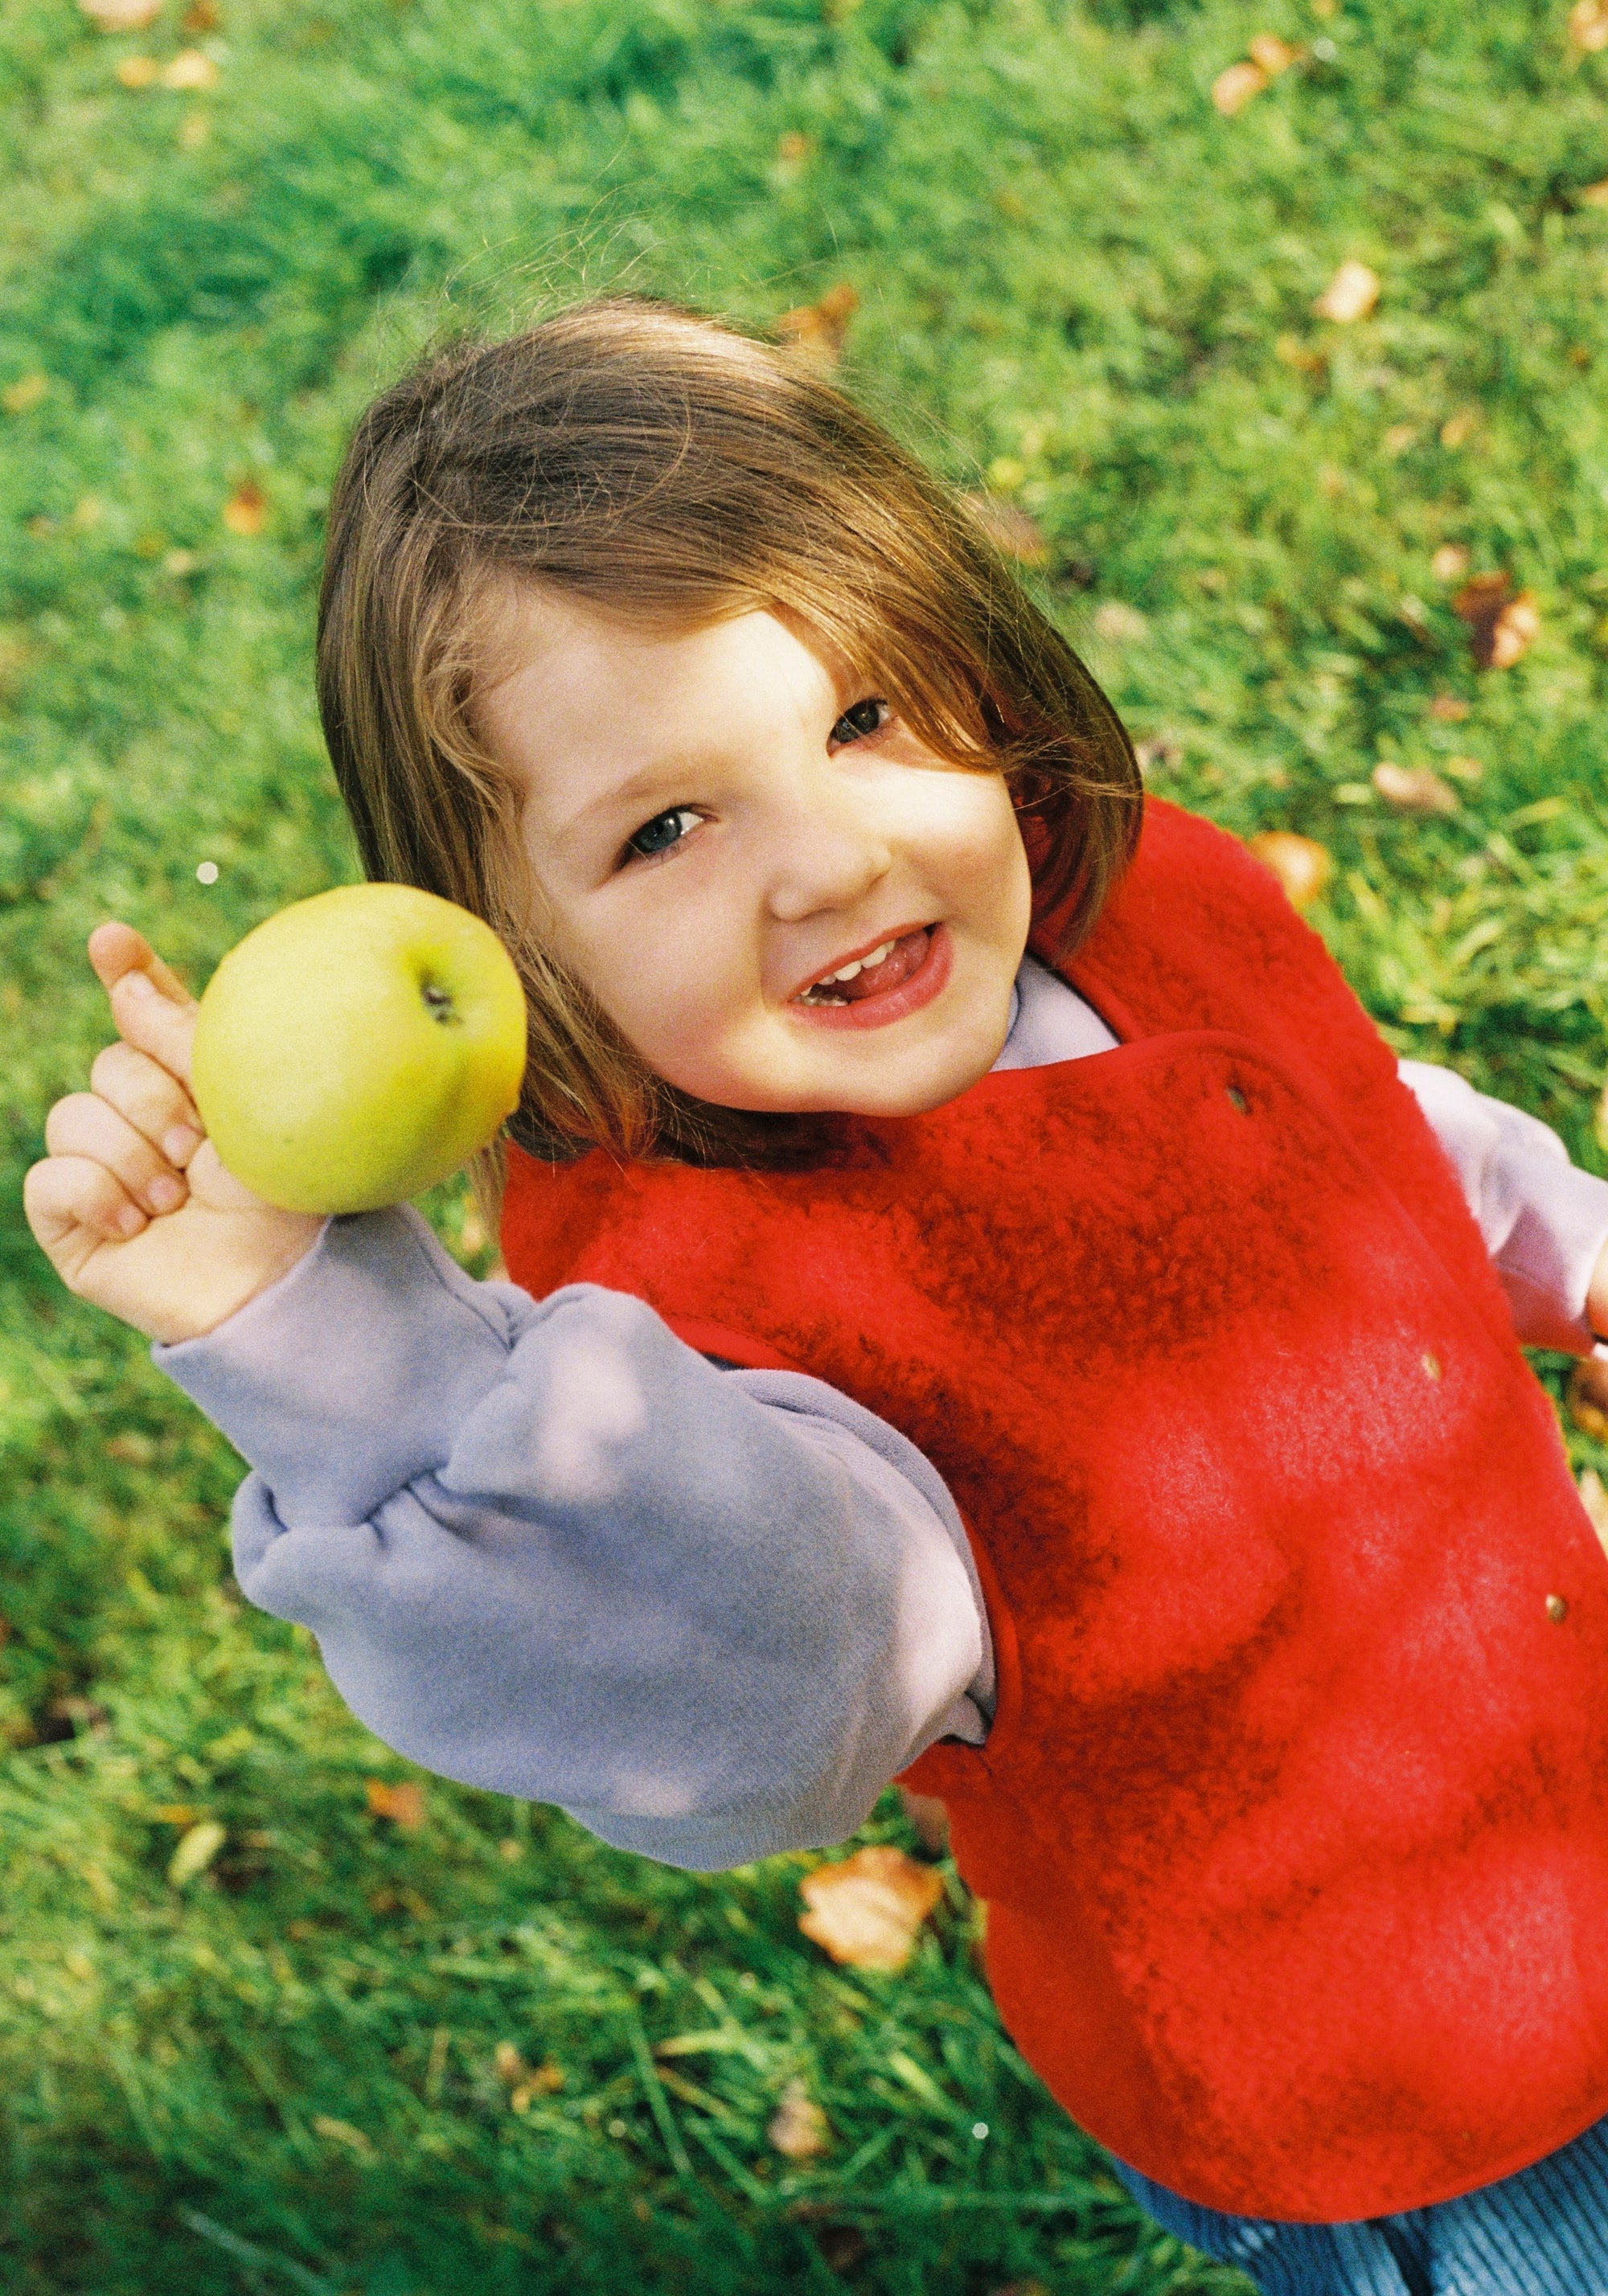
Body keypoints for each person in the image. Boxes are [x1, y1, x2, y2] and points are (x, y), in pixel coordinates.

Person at [24, 298, 1608, 2291]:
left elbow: (1349, 1120)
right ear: (506, 944)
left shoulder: (1132, 898)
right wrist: (333, 1345)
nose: (829, 861)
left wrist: (1560, 1243)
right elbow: (756, 1647)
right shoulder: (711, 1315)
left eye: (862, 720)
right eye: (665, 829)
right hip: (1408, 2095)